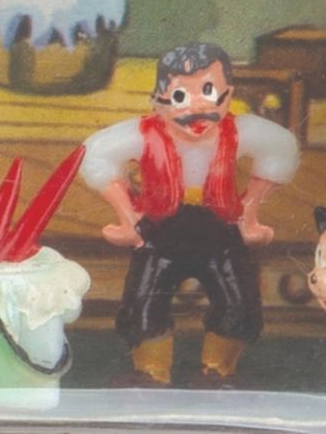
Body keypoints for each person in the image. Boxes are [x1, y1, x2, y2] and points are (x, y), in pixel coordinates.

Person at [78, 42, 298, 388]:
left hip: (220, 230)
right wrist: (127, 215)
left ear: (229, 94)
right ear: (157, 101)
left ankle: (218, 371)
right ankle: (150, 373)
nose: (197, 107)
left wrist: (250, 210)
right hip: (160, 231)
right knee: (143, 303)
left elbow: (281, 145)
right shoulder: (144, 133)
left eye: (208, 92)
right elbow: (95, 154)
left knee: (239, 302)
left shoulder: (238, 131)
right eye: (180, 96)